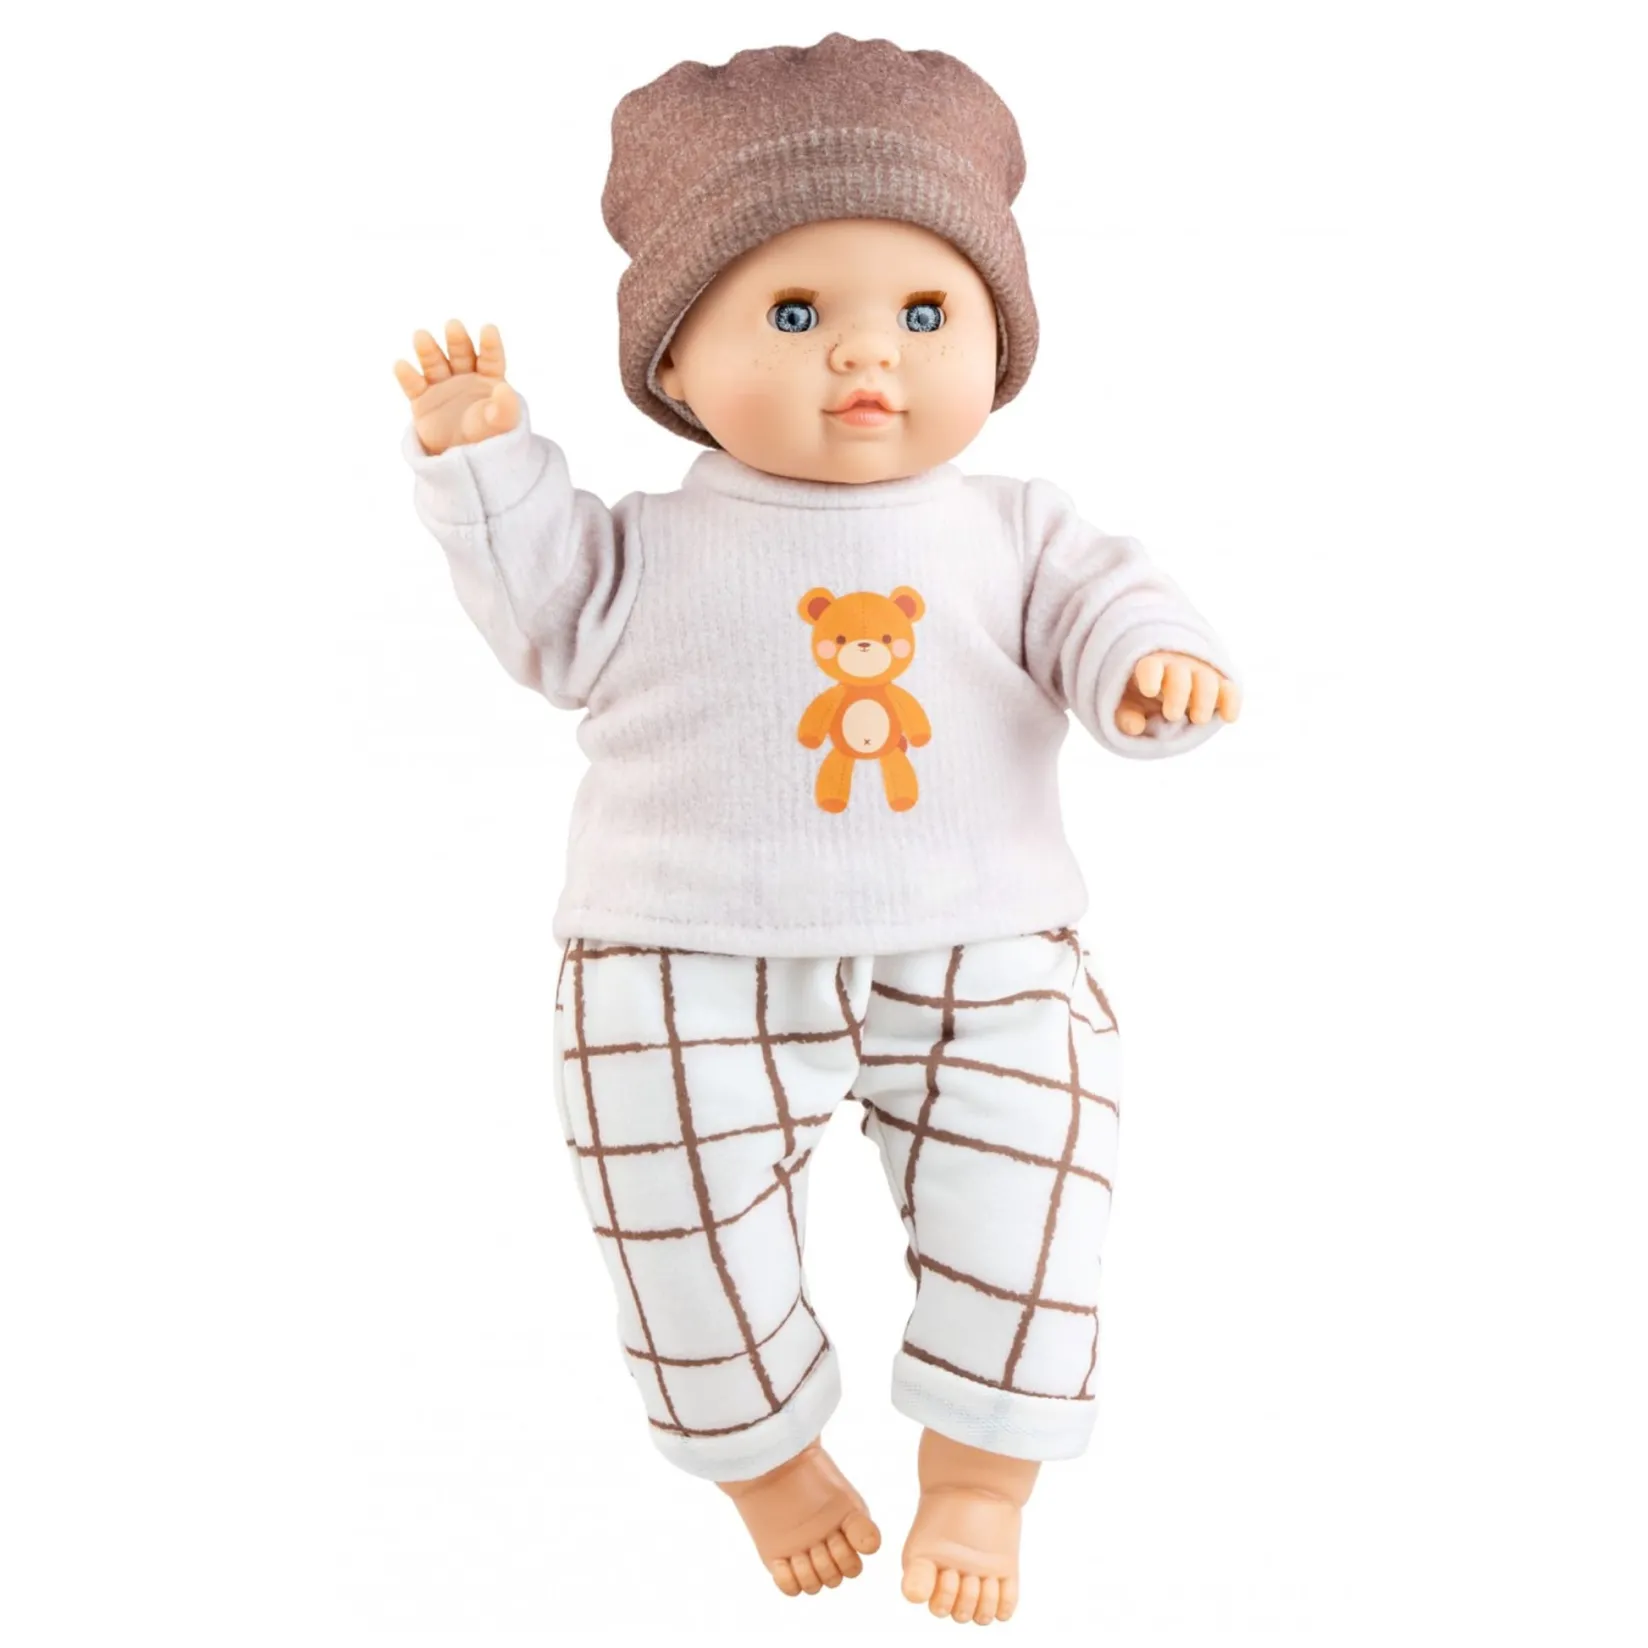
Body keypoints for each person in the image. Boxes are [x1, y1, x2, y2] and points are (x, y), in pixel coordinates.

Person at [393, 32, 1240, 1625]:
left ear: (998, 343)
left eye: (926, 315)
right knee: (673, 1216)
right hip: (675, 953)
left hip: (985, 946)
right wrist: (486, 464)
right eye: (795, 315)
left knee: (1040, 1184)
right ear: (674, 366)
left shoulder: (1014, 530)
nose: (868, 356)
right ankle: (769, 1464)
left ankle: (981, 1476)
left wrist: (1150, 664)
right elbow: (542, 613)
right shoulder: (644, 549)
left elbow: (1109, 601)